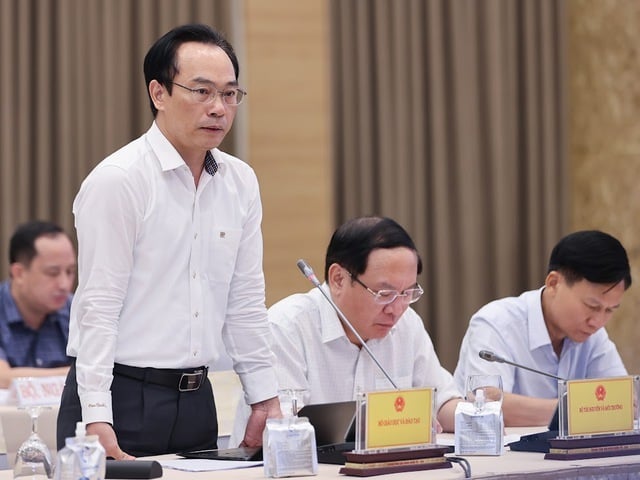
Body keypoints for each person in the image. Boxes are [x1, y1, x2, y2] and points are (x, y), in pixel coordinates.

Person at [57, 24, 280, 459]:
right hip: (118, 396)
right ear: (158, 93)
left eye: (230, 94)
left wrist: (265, 394)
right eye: (201, 92)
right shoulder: (119, 181)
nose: (218, 108)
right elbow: (98, 308)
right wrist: (96, 414)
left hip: (198, 399)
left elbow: (246, 300)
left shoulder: (240, 182)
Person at [231, 216, 461, 445]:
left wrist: (482, 413)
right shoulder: (286, 327)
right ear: (339, 278)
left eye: (407, 293)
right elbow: (285, 430)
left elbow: (443, 403)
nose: (396, 309)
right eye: (384, 294)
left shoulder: (407, 324)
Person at [453, 230, 632, 427]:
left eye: (609, 310)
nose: (597, 321)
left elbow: (624, 402)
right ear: (554, 283)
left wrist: (607, 407)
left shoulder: (593, 335)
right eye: (592, 306)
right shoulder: (495, 323)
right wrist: (580, 410)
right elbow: (486, 404)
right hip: (504, 457)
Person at [0, 221, 76, 389]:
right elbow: (2, 379)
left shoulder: (77, 311)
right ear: (19, 273)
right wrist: (76, 374)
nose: (64, 284)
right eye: (53, 273)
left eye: (70, 271)